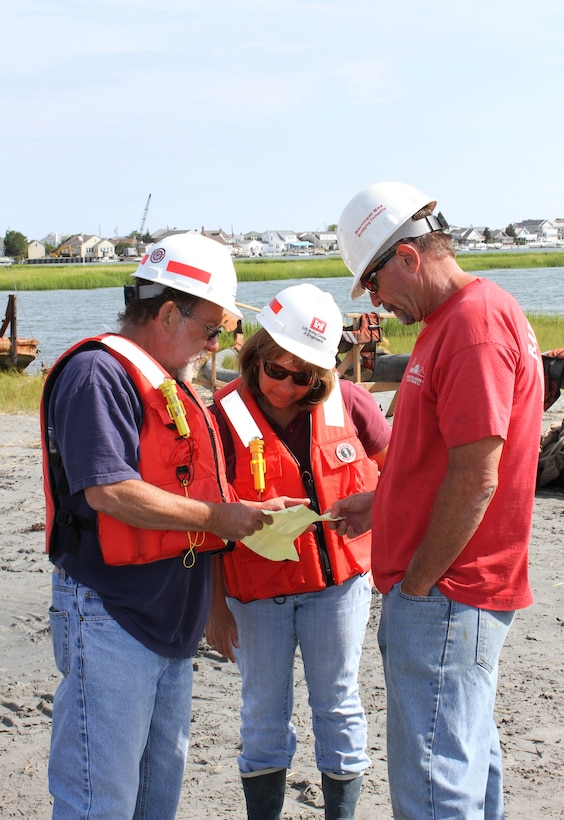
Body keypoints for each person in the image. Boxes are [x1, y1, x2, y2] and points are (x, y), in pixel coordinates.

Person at [41, 232, 302, 819]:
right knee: (97, 801)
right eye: (211, 330)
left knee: (156, 799)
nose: (215, 347)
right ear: (165, 312)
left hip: (171, 620)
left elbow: (192, 487)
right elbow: (108, 490)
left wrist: (214, 599)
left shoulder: (172, 383)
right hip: (111, 613)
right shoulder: (96, 376)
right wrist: (223, 518)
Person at [333, 182, 545, 819]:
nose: (376, 301)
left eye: (373, 283)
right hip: (453, 588)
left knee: (433, 787)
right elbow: (441, 454)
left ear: (407, 257)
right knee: (466, 761)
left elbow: (478, 474)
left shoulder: (474, 326)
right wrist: (380, 501)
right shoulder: (449, 321)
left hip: (449, 589)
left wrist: (421, 582)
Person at [205, 283, 390, 820]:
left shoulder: (350, 402)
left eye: (304, 376)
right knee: (263, 713)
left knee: (338, 704)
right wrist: (215, 608)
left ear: (324, 374)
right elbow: (206, 518)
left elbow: (404, 466)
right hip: (255, 596)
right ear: (256, 355)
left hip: (338, 591)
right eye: (276, 370)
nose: (286, 386)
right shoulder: (220, 416)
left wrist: (378, 501)